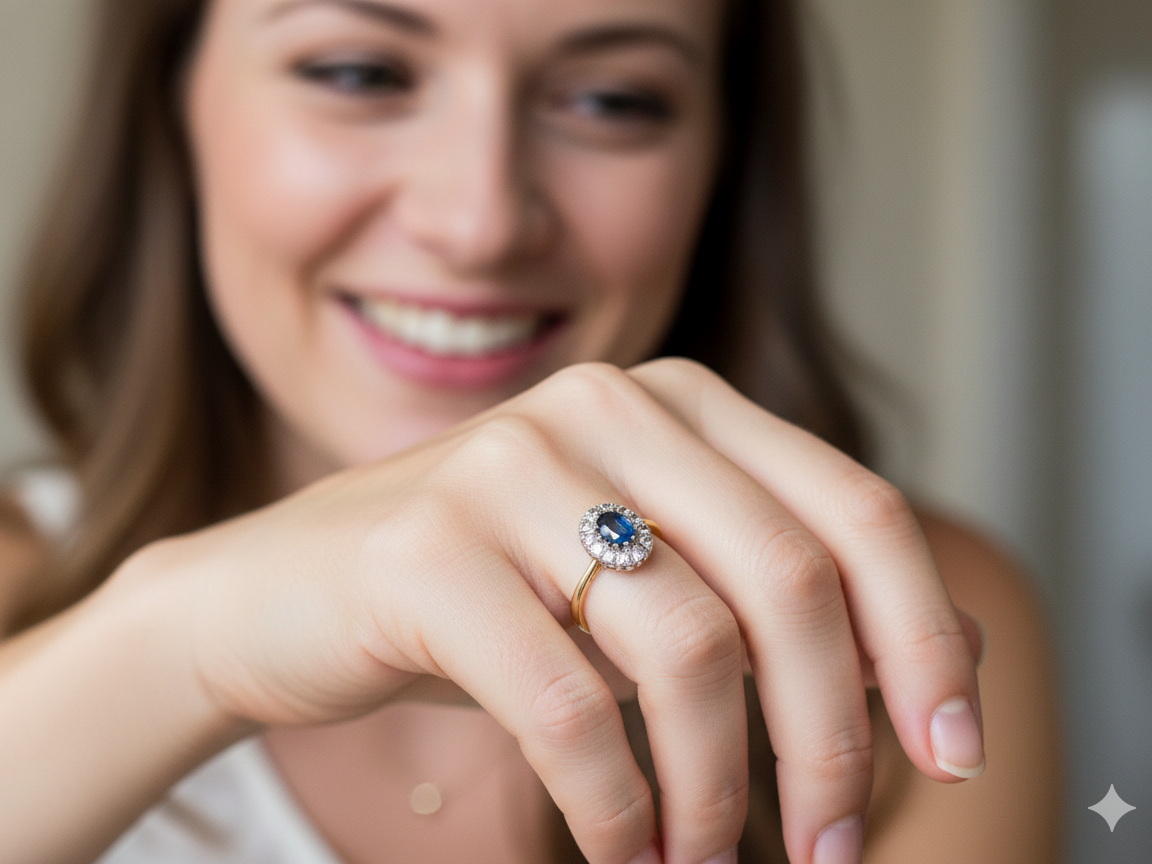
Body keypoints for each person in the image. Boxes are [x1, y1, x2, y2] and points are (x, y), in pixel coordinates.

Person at [0, 0, 1061, 862]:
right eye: (361, 74)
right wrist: (180, 648)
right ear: (172, 105)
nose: (480, 223)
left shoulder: (901, 619)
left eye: (612, 99)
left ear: (721, 166)